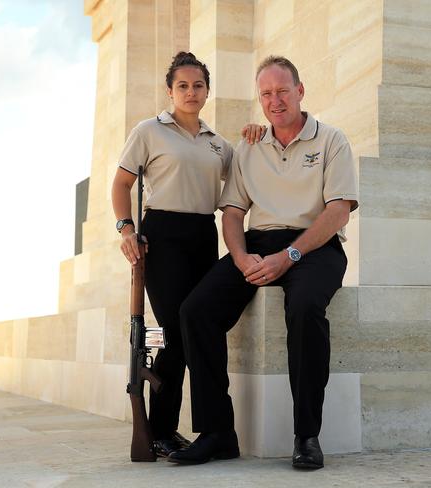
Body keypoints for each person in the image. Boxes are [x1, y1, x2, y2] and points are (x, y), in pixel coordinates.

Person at [170, 55, 358, 469]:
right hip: (257, 242)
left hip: (315, 246)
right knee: (195, 311)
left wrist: (288, 256)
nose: (275, 100)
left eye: (283, 91)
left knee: (306, 307)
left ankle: (307, 435)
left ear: (300, 91)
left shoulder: (331, 140)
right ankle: (218, 432)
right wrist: (240, 258)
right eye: (267, 94)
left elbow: (338, 211)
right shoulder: (250, 147)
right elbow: (234, 213)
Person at [111, 51, 263, 459]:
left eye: (198, 86)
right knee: (176, 331)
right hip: (161, 235)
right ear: (170, 90)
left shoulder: (219, 145)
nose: (191, 92)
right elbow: (121, 184)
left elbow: (251, 170)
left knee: (193, 330)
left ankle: (176, 431)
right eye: (183, 85)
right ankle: (161, 429)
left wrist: (256, 134)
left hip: (203, 234)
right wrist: (126, 229)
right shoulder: (149, 130)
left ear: (207, 90)